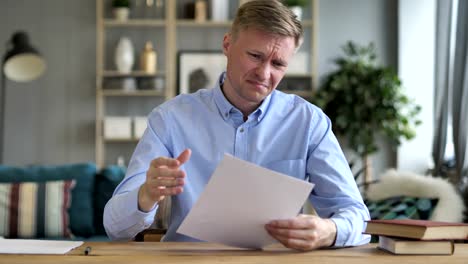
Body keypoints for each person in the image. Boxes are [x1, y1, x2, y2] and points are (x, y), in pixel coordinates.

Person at [104, 0, 370, 251]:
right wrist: (146, 195)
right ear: (228, 44)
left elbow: (357, 216)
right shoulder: (170, 119)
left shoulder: (309, 123)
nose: (264, 73)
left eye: (278, 64)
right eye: (255, 56)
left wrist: (330, 230)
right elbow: (115, 228)